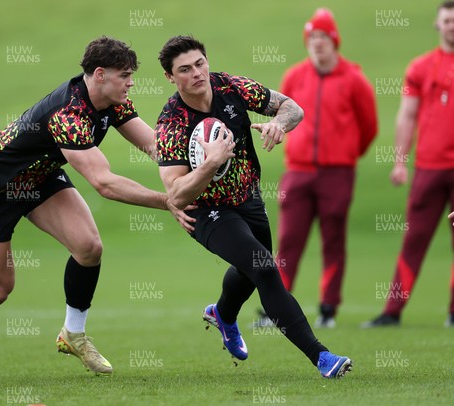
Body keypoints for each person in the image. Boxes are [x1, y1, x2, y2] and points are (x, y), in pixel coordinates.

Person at [0, 36, 193, 379]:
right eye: (125, 75)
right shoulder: (68, 114)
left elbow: (154, 146)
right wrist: (168, 201)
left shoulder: (113, 101)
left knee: (89, 248)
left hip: (39, 179)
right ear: (100, 74)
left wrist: (193, 174)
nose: (131, 82)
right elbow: (104, 183)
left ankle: (73, 334)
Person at [155, 35, 352, 378]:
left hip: (248, 199)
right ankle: (322, 357)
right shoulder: (171, 123)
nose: (197, 73)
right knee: (263, 268)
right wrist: (209, 165)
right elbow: (175, 195)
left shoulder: (231, 86)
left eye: (200, 63)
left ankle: (222, 315)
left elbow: (293, 107)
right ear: (171, 78)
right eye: (184, 70)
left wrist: (279, 123)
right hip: (205, 212)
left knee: (250, 271)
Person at [267, 8, 378, 328]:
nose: (317, 43)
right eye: (312, 37)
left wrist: (346, 155)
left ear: (334, 41)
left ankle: (328, 309)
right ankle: (278, 309)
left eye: (323, 37)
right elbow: (280, 114)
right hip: (298, 171)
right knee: (289, 240)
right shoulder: (295, 76)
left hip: (337, 173)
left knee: (333, 239)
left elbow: (369, 126)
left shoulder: (354, 79)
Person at [363, 1, 454, 328]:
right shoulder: (420, 67)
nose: (451, 26)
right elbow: (407, 115)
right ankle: (392, 311)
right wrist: (400, 161)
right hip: (429, 166)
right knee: (414, 237)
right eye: (447, 20)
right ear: (437, 24)